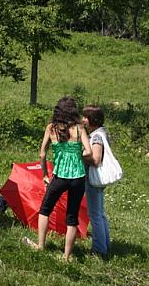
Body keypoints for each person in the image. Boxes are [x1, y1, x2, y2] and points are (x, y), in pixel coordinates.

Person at [26, 97, 92, 261]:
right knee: (72, 216)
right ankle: (66, 256)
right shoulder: (79, 128)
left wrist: (45, 175)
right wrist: (77, 155)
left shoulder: (51, 128)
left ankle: (41, 245)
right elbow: (89, 152)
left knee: (45, 209)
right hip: (78, 177)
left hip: (60, 176)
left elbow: (42, 154)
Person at [83, 104, 111, 258]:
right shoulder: (100, 133)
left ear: (92, 120)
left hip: (94, 179)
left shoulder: (97, 136)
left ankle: (99, 249)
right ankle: (105, 245)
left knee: (95, 214)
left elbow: (96, 159)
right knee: (100, 214)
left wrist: (79, 155)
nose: (83, 120)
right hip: (97, 179)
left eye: (85, 117)